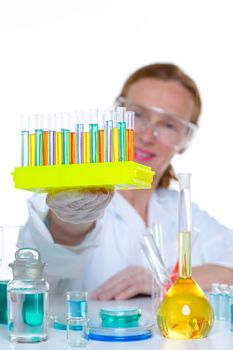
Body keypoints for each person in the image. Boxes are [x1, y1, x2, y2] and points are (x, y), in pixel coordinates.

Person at [18, 63, 233, 299]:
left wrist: (163, 279)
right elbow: (54, 251)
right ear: (116, 115)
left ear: (185, 139)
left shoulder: (180, 209)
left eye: (169, 124)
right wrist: (69, 221)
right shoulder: (72, 194)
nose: (147, 135)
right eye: (137, 115)